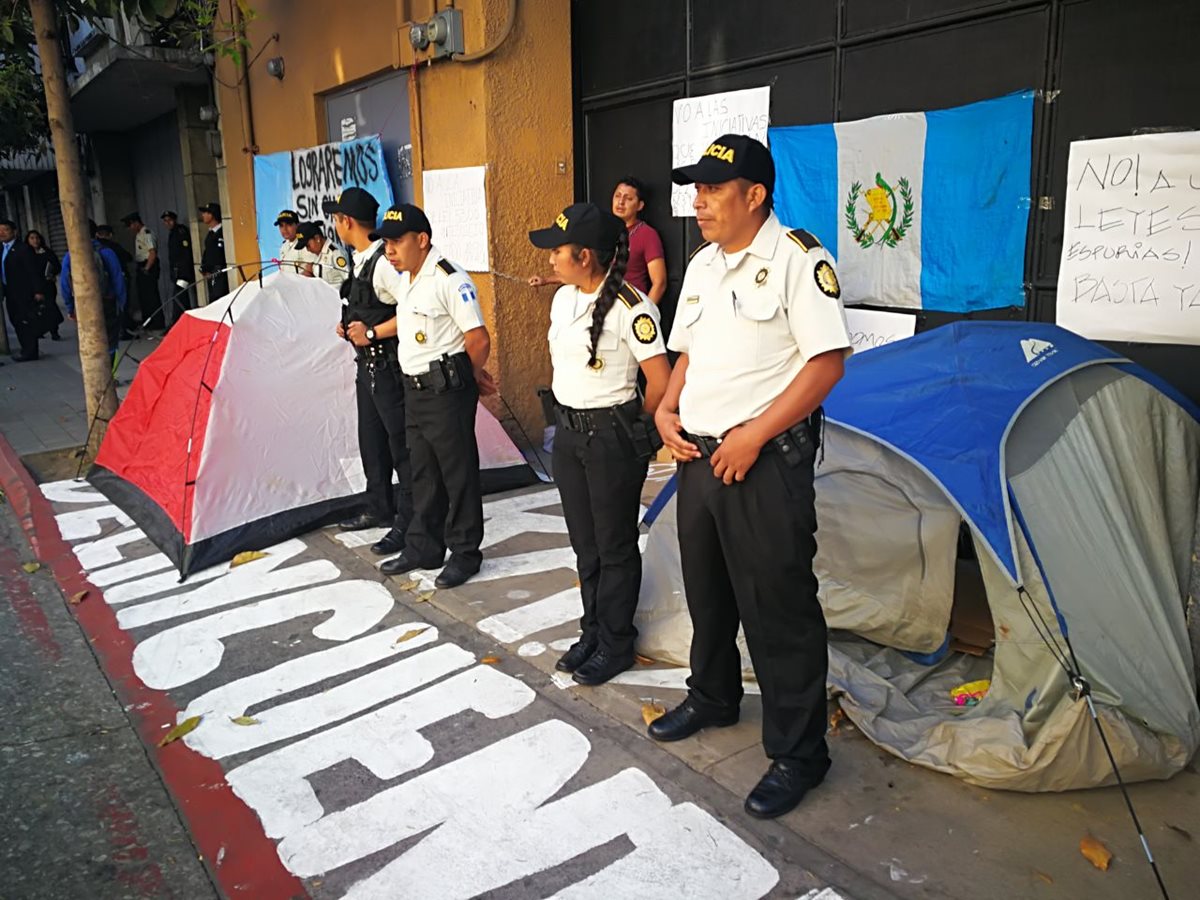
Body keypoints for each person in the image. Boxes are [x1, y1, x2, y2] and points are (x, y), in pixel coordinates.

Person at [649, 134, 852, 820]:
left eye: (712, 189)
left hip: (764, 464)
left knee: (780, 610)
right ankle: (712, 697)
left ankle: (799, 753)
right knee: (709, 596)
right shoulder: (705, 264)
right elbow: (689, 352)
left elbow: (826, 364)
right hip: (700, 459)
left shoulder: (797, 258)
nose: (698, 202)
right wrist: (668, 408)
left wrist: (753, 436)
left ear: (754, 194)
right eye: (696, 189)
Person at [528, 202, 671, 683]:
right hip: (568, 437)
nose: (550, 258)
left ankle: (616, 642)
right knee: (584, 546)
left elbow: (661, 380)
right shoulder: (564, 299)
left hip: (610, 439)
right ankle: (592, 629)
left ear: (585, 256)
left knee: (614, 547)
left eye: (558, 250)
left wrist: (639, 433)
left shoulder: (633, 308)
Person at [372, 204, 494, 589]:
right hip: (415, 389)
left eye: (396, 241)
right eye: (385, 243)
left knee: (456, 475)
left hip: (446, 391)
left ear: (421, 240)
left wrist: (469, 379)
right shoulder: (408, 277)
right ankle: (424, 546)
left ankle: (464, 552)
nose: (389, 250)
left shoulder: (448, 278)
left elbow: (478, 339)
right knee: (423, 470)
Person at [323, 187, 414, 547]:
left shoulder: (383, 263)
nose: (335, 224)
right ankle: (378, 506)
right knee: (372, 442)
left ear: (346, 221)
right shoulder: (361, 259)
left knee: (400, 446)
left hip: (389, 368)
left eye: (336, 218)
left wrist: (373, 331)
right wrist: (351, 328)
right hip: (369, 368)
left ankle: (410, 520)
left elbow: (413, 311)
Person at [529, 176, 667, 304]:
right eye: (617, 196)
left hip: (629, 304)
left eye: (628, 198)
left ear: (640, 205)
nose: (620, 202)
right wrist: (546, 280)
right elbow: (582, 267)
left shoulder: (647, 234)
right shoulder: (603, 231)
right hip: (600, 303)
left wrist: (645, 313)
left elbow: (659, 282)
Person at [59, 221, 128, 364]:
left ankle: (95, 375)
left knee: (90, 341)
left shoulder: (71, 255)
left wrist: (71, 307)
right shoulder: (107, 252)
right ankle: (111, 376)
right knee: (110, 342)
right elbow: (118, 279)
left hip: (83, 305)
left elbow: (65, 284)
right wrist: (121, 303)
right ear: (95, 234)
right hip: (108, 302)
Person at [1, 219, 45, 361]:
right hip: (9, 292)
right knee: (16, 320)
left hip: (23, 292)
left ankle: (30, 351)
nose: (2, 233)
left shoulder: (23, 249)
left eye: (5, 229)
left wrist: (38, 291)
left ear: (14, 232)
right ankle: (25, 348)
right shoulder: (1, 249)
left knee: (26, 321)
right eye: (0, 230)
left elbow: (33, 272)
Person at [122, 212, 163, 330]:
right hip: (142, 265)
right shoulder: (139, 234)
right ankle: (148, 322)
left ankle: (156, 322)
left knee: (151, 296)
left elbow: (152, 253)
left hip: (148, 265)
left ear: (136, 223)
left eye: (130, 225)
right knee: (144, 296)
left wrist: (146, 268)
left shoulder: (147, 233)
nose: (130, 229)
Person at [26, 230, 63, 340]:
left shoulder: (47, 252)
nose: (35, 241)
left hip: (47, 284)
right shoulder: (26, 253)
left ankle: (54, 331)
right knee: (37, 309)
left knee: (50, 307)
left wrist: (52, 273)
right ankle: (40, 330)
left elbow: (57, 266)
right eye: (32, 238)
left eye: (37, 238)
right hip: (33, 285)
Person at [161, 211, 196, 312]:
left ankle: (177, 320)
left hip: (183, 272)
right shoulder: (172, 233)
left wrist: (183, 273)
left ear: (174, 220)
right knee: (180, 296)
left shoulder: (180, 231)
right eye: (165, 221)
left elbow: (186, 253)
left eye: (170, 220)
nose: (167, 223)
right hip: (177, 272)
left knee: (178, 296)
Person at [295, 222, 348, 288]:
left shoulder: (335, 253)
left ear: (317, 238)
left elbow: (348, 279)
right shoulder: (319, 254)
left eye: (308, 245)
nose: (308, 250)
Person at [198, 202, 229, 301]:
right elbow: (208, 253)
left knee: (219, 299)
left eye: (206, 213)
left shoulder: (221, 233)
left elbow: (218, 256)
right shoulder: (211, 233)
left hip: (219, 273)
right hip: (211, 274)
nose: (203, 215)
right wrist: (204, 268)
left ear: (212, 215)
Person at [273, 209, 311, 274]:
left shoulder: (304, 244)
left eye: (288, 224)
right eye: (281, 225)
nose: (284, 229)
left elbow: (310, 270)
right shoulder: (284, 246)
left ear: (297, 225)